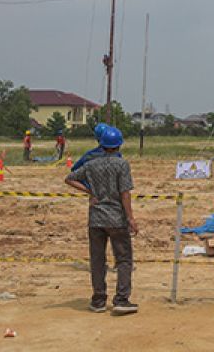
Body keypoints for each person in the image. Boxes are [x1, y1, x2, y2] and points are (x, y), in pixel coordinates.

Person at [64, 125, 138, 315]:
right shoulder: (122, 165)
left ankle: (98, 300)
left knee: (97, 260)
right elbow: (125, 193)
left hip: (95, 219)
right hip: (116, 219)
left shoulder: (91, 164)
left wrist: (90, 191)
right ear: (119, 145)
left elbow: (70, 178)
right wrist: (130, 218)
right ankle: (121, 299)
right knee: (123, 259)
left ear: (101, 144)